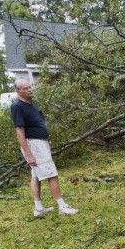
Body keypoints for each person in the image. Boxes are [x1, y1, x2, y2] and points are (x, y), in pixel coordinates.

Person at [10, 79, 78, 216]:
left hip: (41, 142)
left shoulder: (31, 103)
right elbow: (19, 131)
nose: (29, 90)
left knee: (35, 175)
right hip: (34, 144)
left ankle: (39, 208)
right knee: (51, 174)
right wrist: (29, 154)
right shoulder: (17, 106)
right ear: (18, 91)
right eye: (25, 88)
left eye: (30, 87)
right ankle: (62, 206)